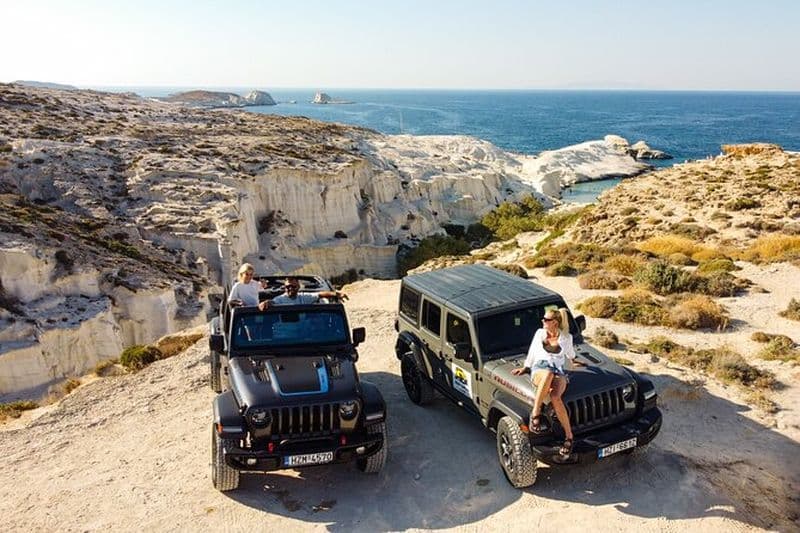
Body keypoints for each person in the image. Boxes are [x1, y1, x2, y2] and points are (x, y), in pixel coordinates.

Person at [511, 307, 576, 457]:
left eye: (546, 320)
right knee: (547, 373)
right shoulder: (540, 333)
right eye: (543, 319)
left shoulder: (566, 338)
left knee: (555, 397)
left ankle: (569, 436)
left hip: (558, 371)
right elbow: (532, 351)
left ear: (554, 322)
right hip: (540, 369)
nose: (543, 321)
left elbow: (571, 354)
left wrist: (574, 360)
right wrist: (526, 367)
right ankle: (536, 414)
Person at [271, 276, 348, 305]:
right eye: (288, 287)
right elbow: (272, 302)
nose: (290, 288)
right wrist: (266, 302)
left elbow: (320, 294)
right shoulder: (279, 299)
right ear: (284, 287)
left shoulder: (304, 297)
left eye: (293, 286)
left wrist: (336, 294)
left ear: (298, 287)